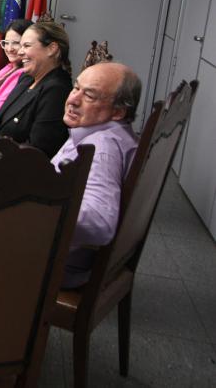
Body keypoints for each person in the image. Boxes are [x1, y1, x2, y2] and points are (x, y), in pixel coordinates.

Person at [51, 62, 142, 288]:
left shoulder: (101, 149)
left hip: (56, 265)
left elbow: (99, 223)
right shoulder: (105, 133)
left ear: (118, 112)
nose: (72, 100)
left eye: (90, 96)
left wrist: (34, 212)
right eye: (76, 88)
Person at [0, 21, 72, 157]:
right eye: (21, 45)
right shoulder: (26, 78)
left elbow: (38, 151)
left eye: (27, 46)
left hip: (16, 170)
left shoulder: (57, 90)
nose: (20, 51)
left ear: (51, 49)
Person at [0, 19, 31, 117]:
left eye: (16, 43)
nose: (9, 49)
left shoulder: (26, 74)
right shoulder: (10, 66)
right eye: (6, 42)